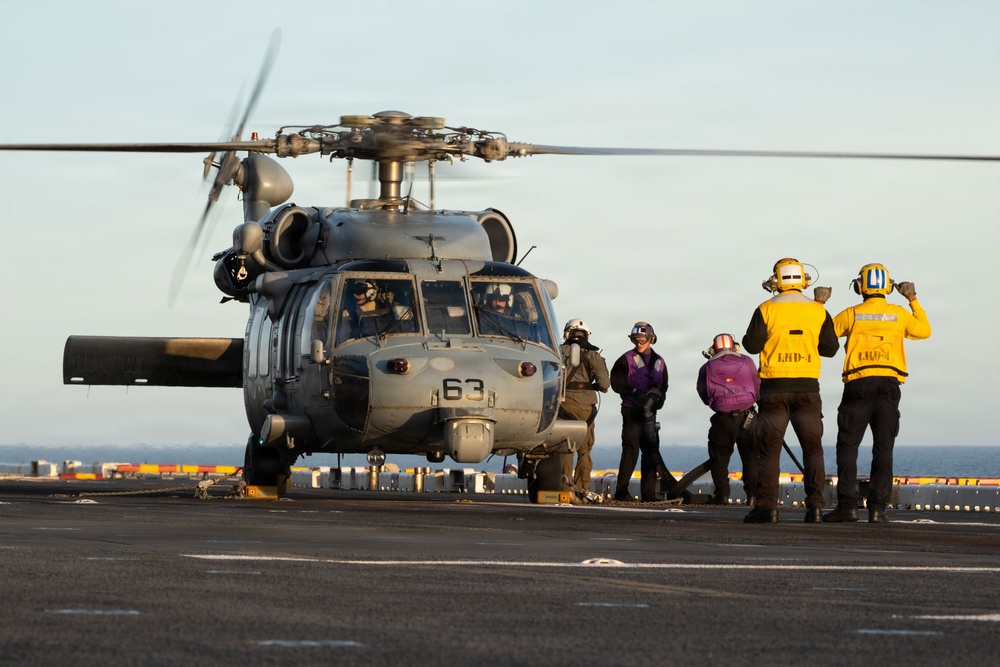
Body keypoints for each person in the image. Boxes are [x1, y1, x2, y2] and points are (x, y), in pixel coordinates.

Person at [823, 264, 932, 524]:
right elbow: (924, 330)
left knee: (848, 446)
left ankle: (848, 506)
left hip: (858, 385)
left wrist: (819, 306)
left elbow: (824, 336)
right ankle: (877, 509)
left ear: (860, 287)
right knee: (884, 448)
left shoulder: (852, 313)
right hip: (889, 386)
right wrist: (912, 299)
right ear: (887, 287)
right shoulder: (899, 313)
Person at [741, 258, 839, 523]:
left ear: (777, 280)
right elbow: (830, 349)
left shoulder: (766, 308)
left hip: (774, 389)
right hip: (808, 388)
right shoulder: (818, 311)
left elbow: (751, 345)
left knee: (769, 451)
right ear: (804, 280)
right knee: (813, 449)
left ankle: (767, 508)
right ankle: (816, 507)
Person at [696, 333, 761, 506]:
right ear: (735, 347)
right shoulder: (747, 361)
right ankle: (753, 497)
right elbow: (758, 385)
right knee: (751, 458)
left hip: (723, 419)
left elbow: (703, 394)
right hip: (749, 416)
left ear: (713, 349)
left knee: (720, 458)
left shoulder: (707, 367)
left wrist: (717, 403)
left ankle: (722, 495)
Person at [610, 321, 672, 502]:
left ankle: (649, 494)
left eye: (642, 339)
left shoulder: (660, 362)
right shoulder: (625, 360)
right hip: (631, 412)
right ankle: (621, 492)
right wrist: (634, 392)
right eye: (635, 339)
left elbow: (665, 385)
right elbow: (616, 383)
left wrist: (657, 398)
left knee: (651, 453)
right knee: (630, 451)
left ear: (651, 339)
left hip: (651, 414)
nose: (639, 343)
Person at [559, 319, 611, 495]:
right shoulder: (594, 356)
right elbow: (604, 385)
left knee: (566, 448)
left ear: (567, 333)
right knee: (584, 451)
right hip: (587, 409)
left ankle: (565, 490)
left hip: (563, 406)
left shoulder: (556, 352)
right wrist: (592, 386)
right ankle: (583, 490)